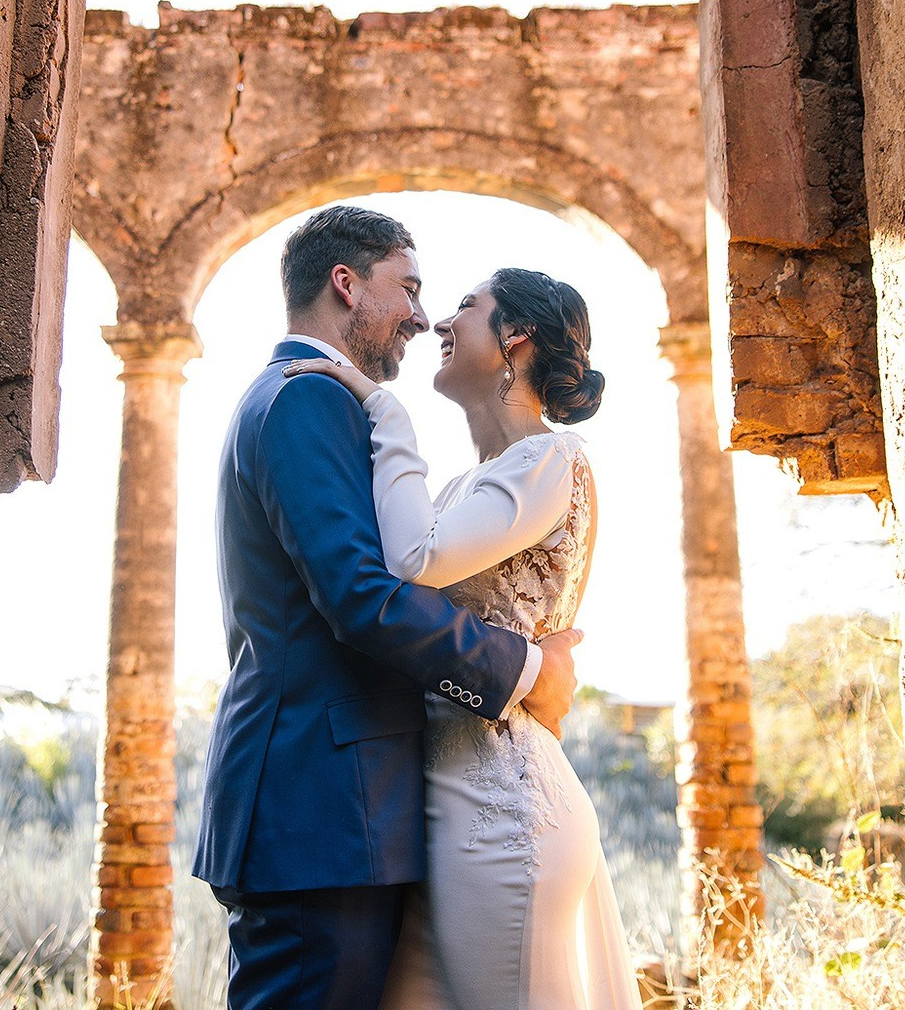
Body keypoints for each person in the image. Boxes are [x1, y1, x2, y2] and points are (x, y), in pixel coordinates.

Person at [192, 206, 585, 1010]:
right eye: (406, 288)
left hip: (348, 807)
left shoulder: (321, 402)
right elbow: (361, 595)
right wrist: (524, 669)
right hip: (319, 807)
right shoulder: (307, 400)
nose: (419, 313)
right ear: (345, 284)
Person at [286, 265, 636, 1010]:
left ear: (516, 337)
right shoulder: (457, 490)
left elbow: (414, 561)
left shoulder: (550, 459)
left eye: (464, 309)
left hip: (503, 814)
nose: (440, 325)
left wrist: (387, 413)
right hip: (436, 809)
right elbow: (379, 585)